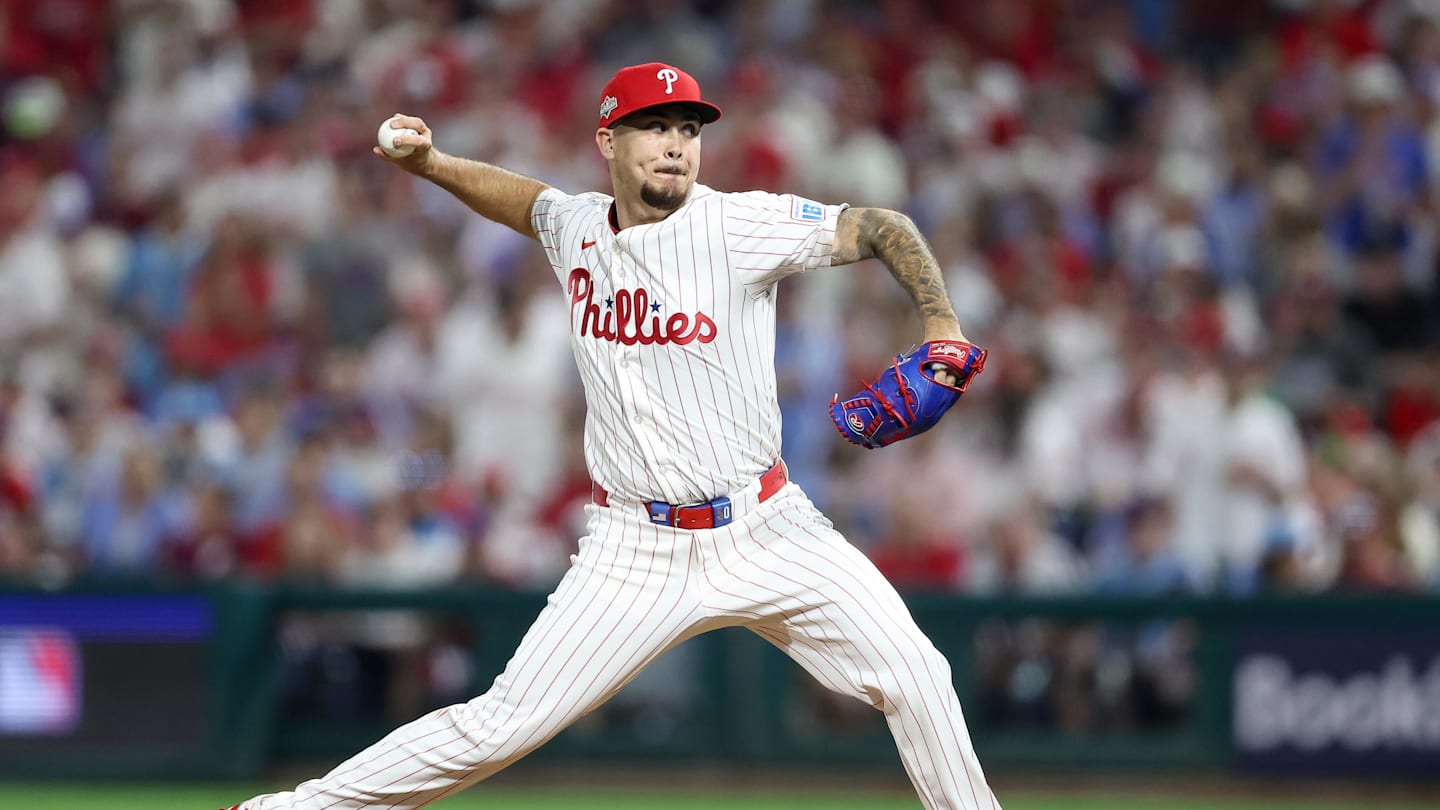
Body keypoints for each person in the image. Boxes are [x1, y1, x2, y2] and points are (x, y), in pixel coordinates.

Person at [229, 62, 1000, 810]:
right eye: (654, 127)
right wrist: (432, 162)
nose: (676, 144)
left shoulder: (736, 225)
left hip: (768, 527)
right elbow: (524, 202)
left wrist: (942, 328)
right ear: (607, 142)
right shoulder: (577, 230)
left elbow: (881, 226)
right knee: (500, 724)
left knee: (918, 675)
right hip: (634, 549)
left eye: (688, 128)